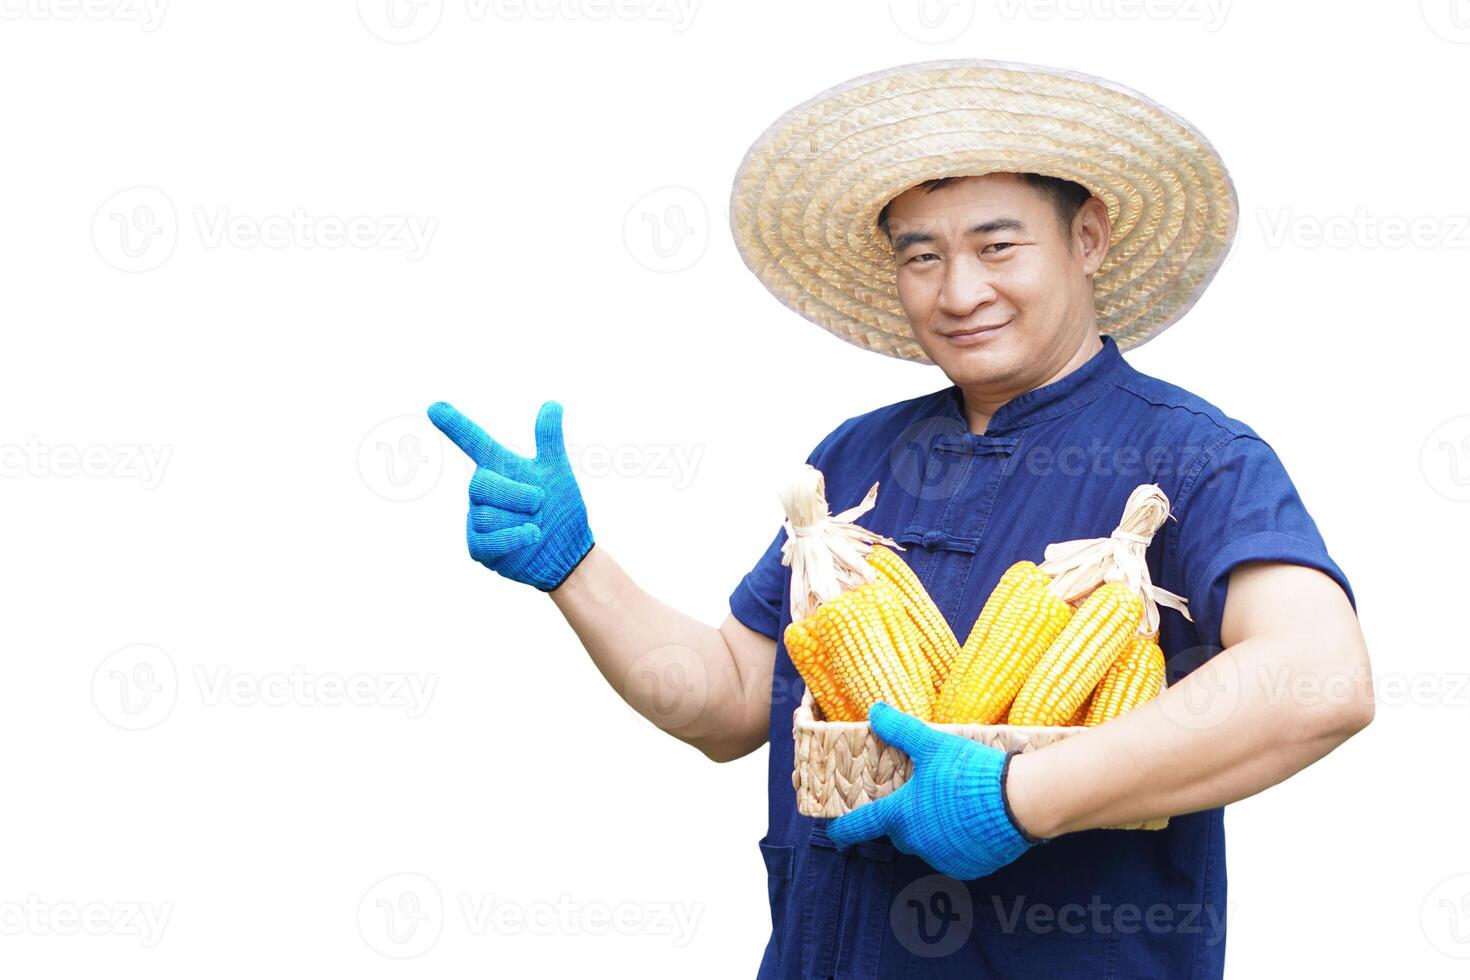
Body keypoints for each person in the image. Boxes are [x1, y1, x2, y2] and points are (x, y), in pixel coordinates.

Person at [427, 59, 1372, 979]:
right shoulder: (856, 458)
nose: (958, 293)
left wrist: (1019, 797)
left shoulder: (1192, 458)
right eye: (922, 256)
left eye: (998, 246)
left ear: (1088, 236)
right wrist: (575, 567)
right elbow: (724, 701)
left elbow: (1319, 677)